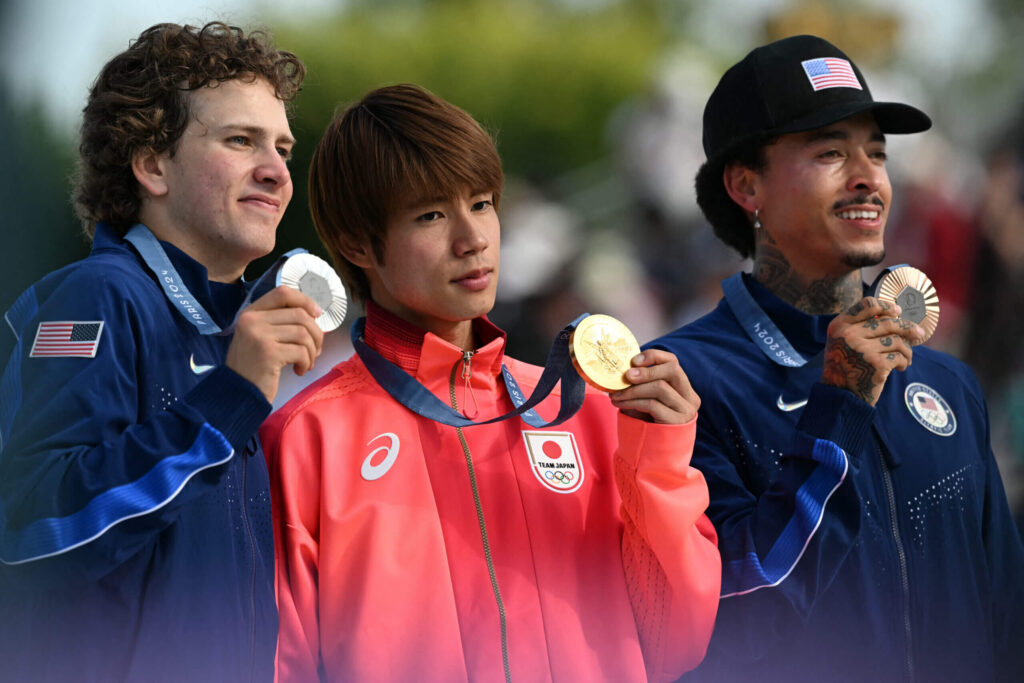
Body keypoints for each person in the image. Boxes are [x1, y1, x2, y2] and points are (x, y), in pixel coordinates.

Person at [260, 83, 721, 682]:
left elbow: (675, 640)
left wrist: (656, 460)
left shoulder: (583, 409)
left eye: (481, 203)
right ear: (356, 244)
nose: (472, 238)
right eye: (430, 214)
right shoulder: (304, 440)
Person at [646, 34, 1024, 682]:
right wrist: (839, 406)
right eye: (829, 152)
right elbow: (729, 617)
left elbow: (1008, 619)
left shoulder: (947, 383)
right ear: (745, 185)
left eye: (876, 152)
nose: (868, 176)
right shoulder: (684, 383)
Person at [0, 22, 324, 682]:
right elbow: (32, 527)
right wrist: (226, 403)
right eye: (240, 140)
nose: (276, 170)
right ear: (152, 166)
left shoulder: (232, 326)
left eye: (283, 148)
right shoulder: (95, 297)